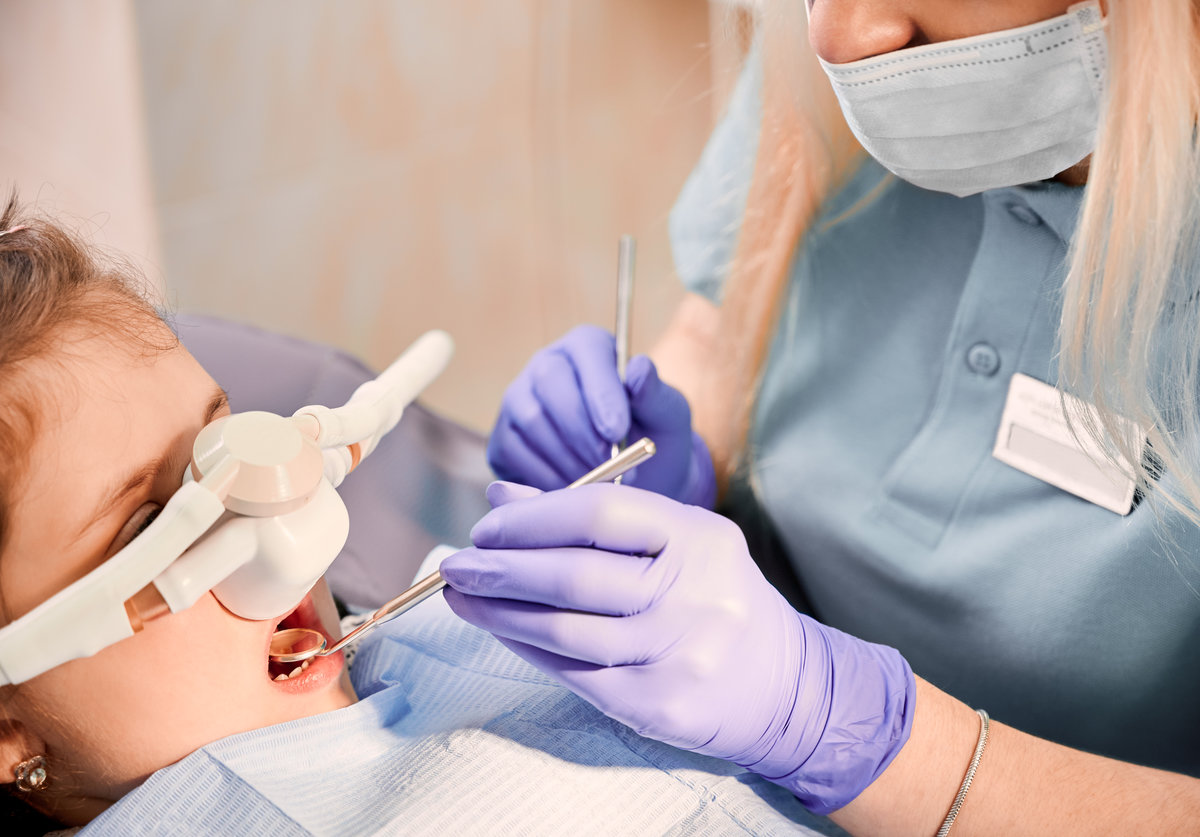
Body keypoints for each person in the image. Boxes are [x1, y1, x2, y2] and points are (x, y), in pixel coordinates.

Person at [466, 0, 1200, 833]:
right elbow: (718, 327)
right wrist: (667, 455)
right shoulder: (846, 65)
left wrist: (860, 733)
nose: (837, 38)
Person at [0, 198, 826, 836]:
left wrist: (651, 530)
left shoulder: (434, 625)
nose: (276, 522)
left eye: (229, 446)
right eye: (152, 526)